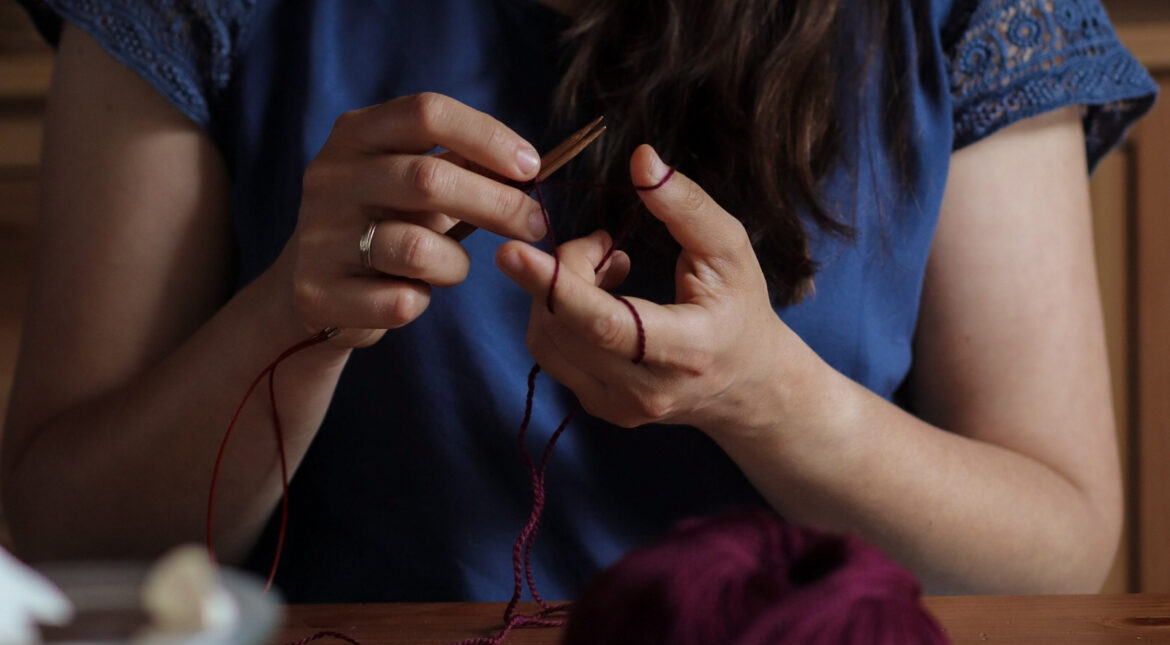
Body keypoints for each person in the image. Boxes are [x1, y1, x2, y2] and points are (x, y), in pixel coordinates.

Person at [0, 0, 1156, 601]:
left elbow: (1054, 550)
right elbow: (62, 538)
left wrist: (769, 400)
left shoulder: (957, 16)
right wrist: (293, 322)